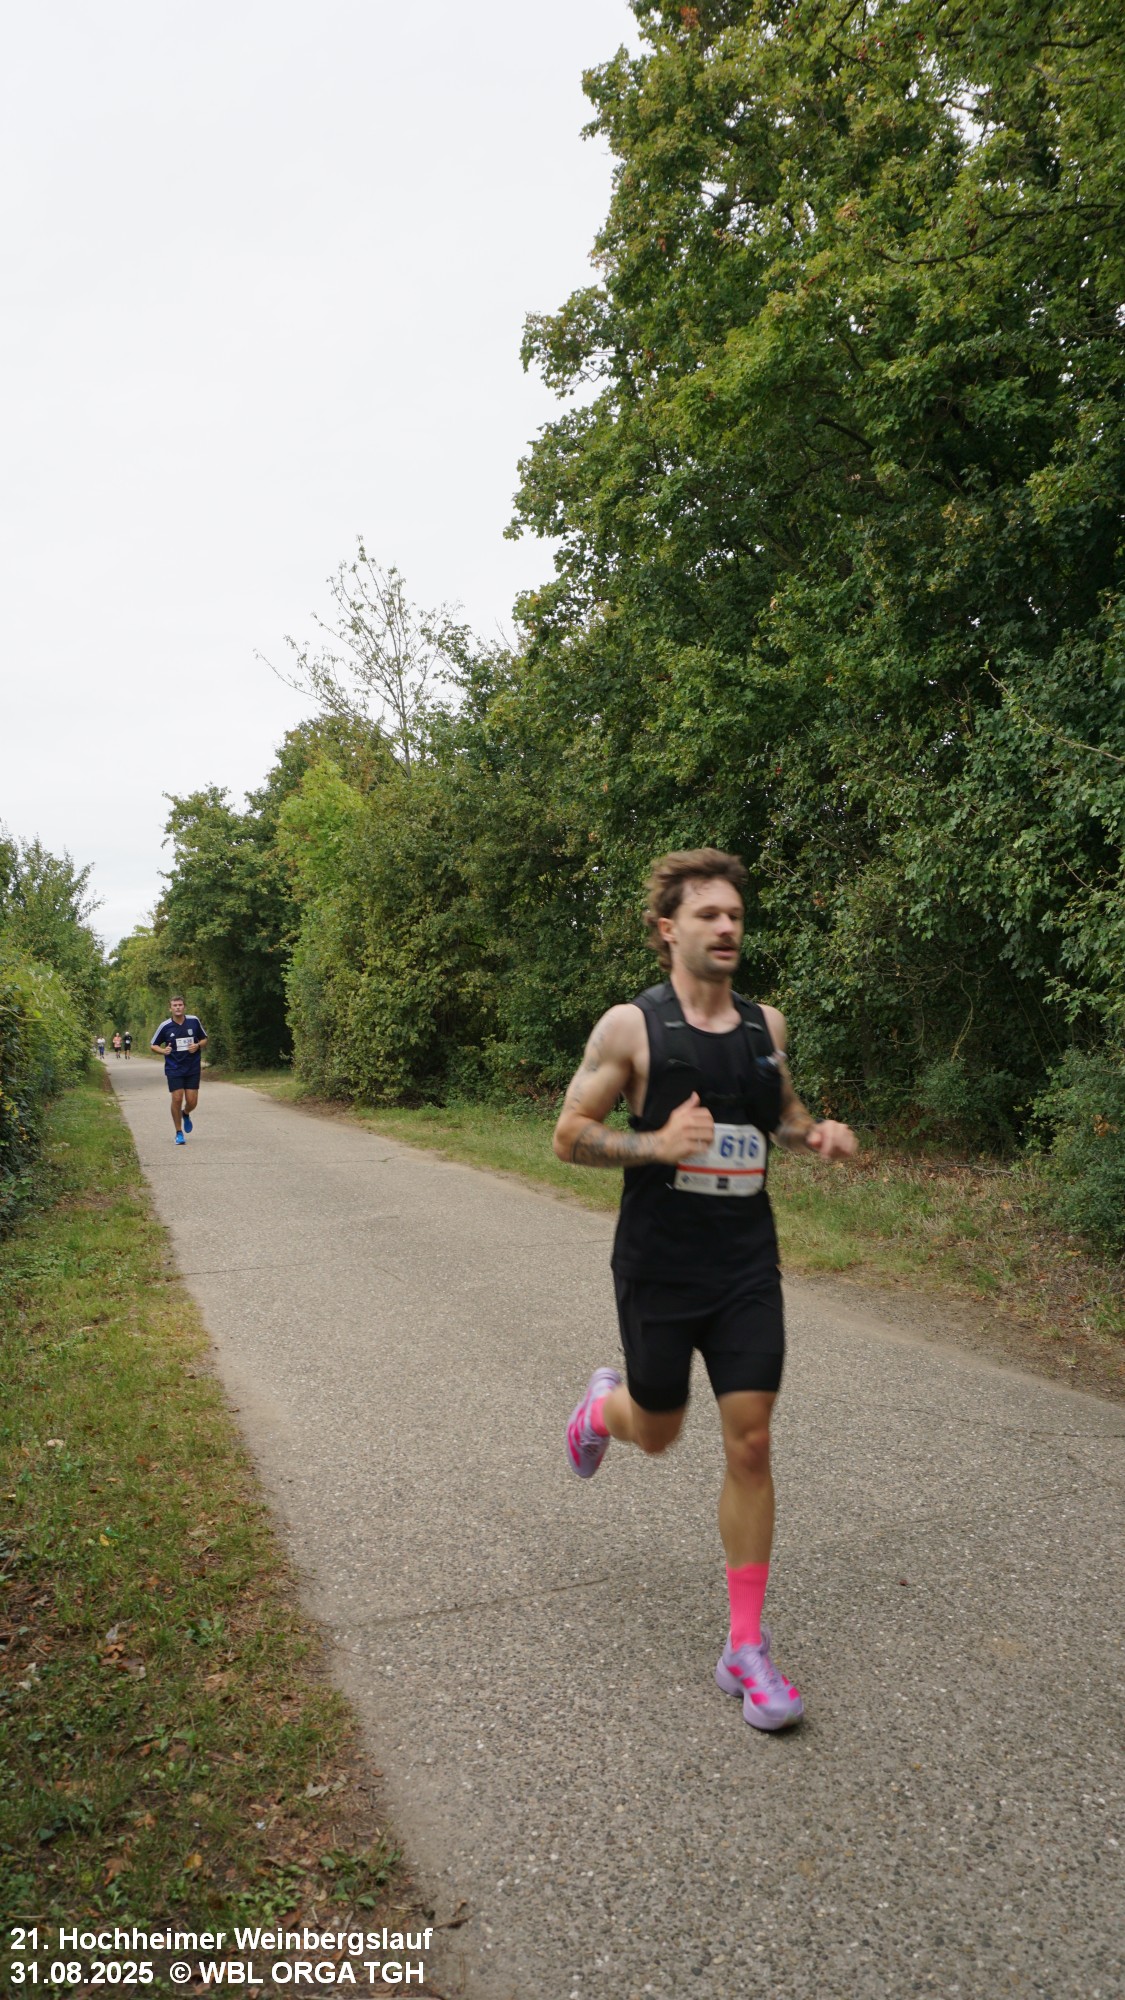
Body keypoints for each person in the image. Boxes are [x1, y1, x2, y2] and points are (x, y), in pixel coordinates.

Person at [554, 850, 856, 1732]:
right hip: (658, 1266)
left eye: (734, 914)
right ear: (667, 929)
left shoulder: (766, 1025)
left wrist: (813, 1135)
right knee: (657, 1433)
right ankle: (599, 1411)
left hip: (744, 1265)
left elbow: (780, 1114)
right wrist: (655, 1145)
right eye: (707, 915)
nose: (727, 927)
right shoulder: (631, 1028)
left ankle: (744, 1647)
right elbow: (569, 1135)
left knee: (751, 1441)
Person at [151, 996, 208, 1145]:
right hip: (174, 1068)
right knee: (177, 1098)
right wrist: (163, 1051)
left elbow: (204, 1039)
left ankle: (186, 1113)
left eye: (180, 1005)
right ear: (170, 1008)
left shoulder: (193, 1021)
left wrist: (198, 1045)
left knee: (192, 1102)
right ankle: (178, 1132)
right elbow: (153, 1045)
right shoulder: (165, 1026)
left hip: (192, 1067)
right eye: (175, 1005)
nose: (177, 1007)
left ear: (184, 1007)